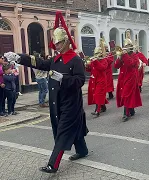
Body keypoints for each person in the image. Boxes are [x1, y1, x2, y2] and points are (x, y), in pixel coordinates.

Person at [5, 11, 89, 173]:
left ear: (65, 42)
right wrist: (19, 58)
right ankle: (82, 150)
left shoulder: (76, 60)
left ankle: (53, 164)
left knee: (63, 132)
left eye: (58, 43)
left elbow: (80, 81)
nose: (55, 46)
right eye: (55, 43)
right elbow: (40, 63)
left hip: (71, 102)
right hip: (57, 101)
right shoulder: (55, 59)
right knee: (66, 128)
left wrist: (62, 79)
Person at [114, 30, 142, 121]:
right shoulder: (123, 55)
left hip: (131, 78)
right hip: (122, 77)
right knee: (126, 94)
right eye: (125, 46)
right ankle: (131, 109)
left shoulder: (135, 55)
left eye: (127, 46)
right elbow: (116, 66)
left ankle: (126, 114)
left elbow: (131, 64)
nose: (125, 48)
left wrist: (125, 56)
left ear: (131, 47)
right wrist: (119, 58)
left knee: (126, 94)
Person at [86, 41, 109, 117]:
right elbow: (91, 70)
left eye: (97, 54)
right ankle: (103, 107)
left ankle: (97, 111)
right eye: (95, 54)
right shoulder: (94, 61)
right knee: (97, 95)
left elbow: (102, 68)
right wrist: (87, 66)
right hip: (94, 80)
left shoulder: (104, 61)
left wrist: (95, 62)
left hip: (101, 81)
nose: (95, 56)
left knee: (98, 95)